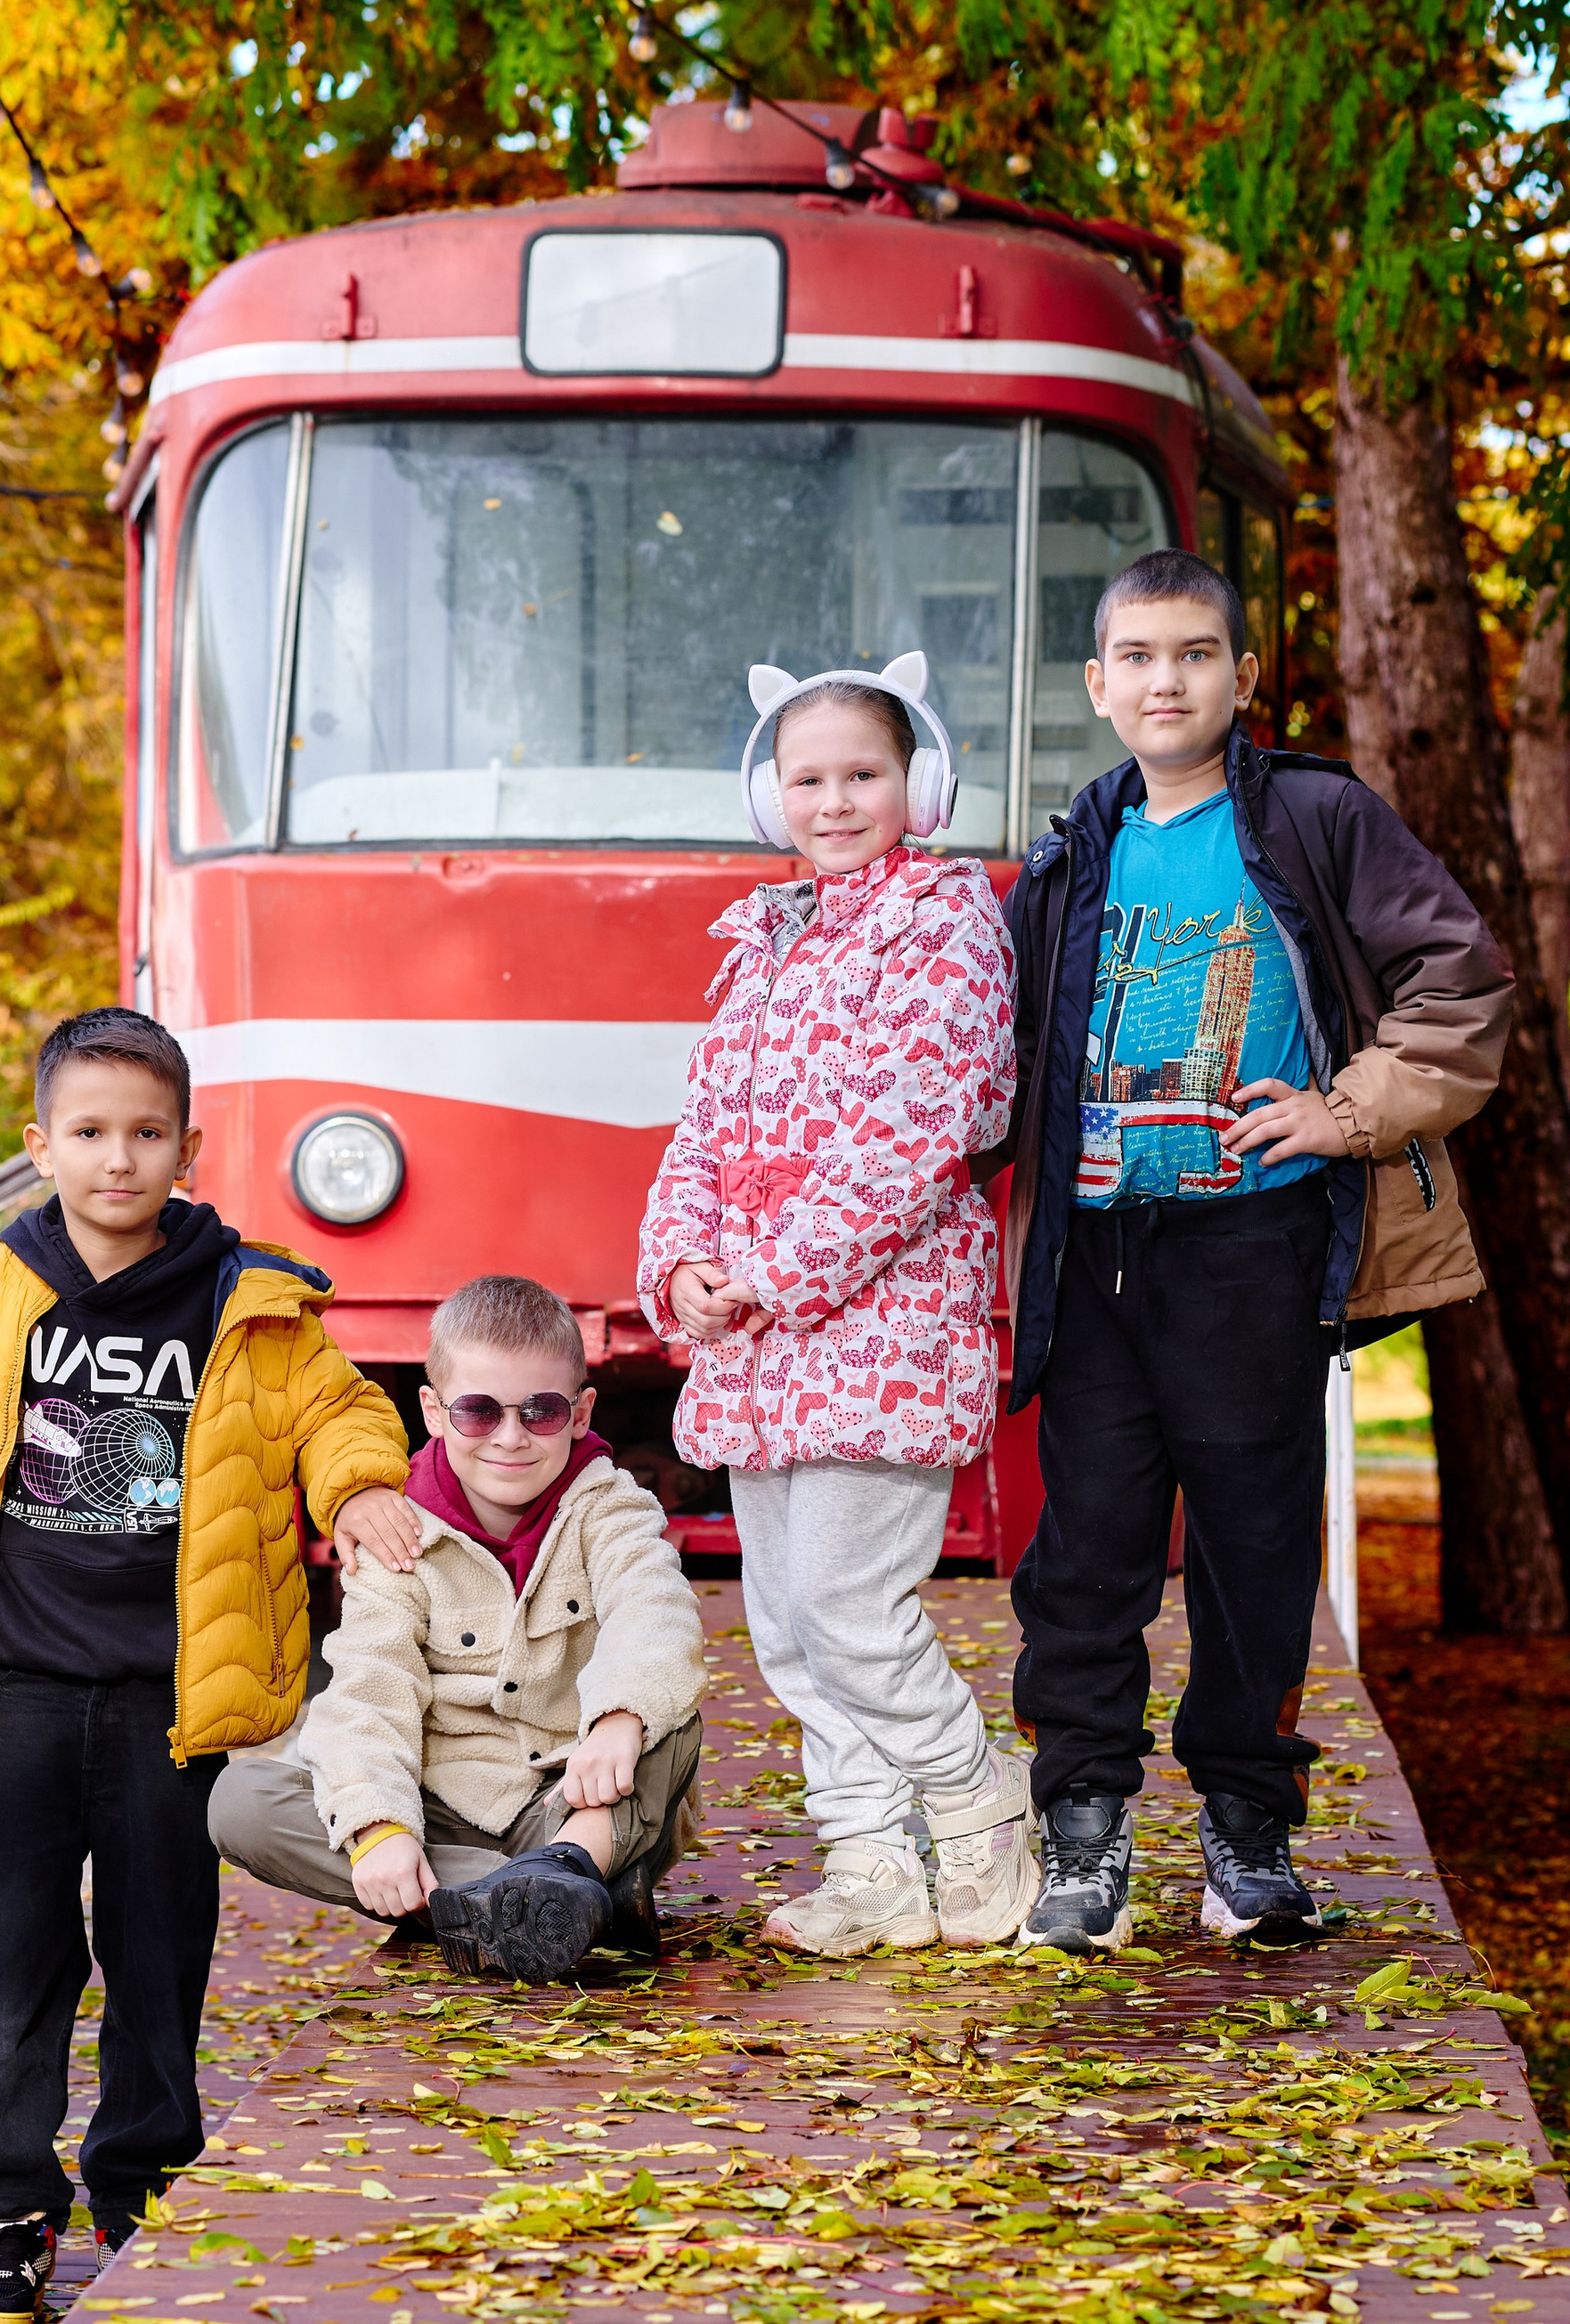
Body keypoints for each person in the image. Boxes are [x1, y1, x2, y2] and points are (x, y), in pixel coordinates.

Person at [1002, 547, 1511, 1951]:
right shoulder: (1068, 856)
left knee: (1253, 1551)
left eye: (1195, 654)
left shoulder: (1317, 819)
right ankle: (1085, 1835)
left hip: (1256, 1252)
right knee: (1088, 1557)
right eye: (1139, 659)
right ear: (1099, 686)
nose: (1167, 680)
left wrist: (1346, 1111)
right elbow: (1001, 1060)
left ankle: (1247, 1837)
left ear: (1241, 676)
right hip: (1099, 1263)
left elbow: (1461, 982)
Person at [0, 1006, 412, 2324]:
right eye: (87, 1133)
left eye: (144, 1134)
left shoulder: (250, 1298)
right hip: (11, 1688)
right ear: (39, 1145)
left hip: (173, 1700)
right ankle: (3, 2215)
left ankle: (142, 2187)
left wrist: (357, 1492)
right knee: (1, 1960)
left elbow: (342, 1412)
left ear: (189, 1144)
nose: (116, 1159)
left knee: (156, 1954)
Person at [639, 654, 1032, 1957]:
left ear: (917, 783)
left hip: (880, 1335)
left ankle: (980, 1811)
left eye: (863, 772)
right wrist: (685, 1264)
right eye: (807, 778)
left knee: (857, 1611)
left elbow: (925, 1125)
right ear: (771, 797)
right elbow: (701, 1132)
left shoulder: (944, 920)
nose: (836, 799)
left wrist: (774, 1269)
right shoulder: (763, 941)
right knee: (793, 1632)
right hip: (759, 1353)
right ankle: (873, 1866)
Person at [209, 1273, 708, 1981]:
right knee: (240, 1802)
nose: (509, 1437)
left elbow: (652, 1608)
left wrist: (620, 1721)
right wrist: (379, 1831)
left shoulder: (610, 1508)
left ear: (580, 1411)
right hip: (445, 1811)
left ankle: (566, 1874)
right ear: (435, 1411)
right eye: (478, 1412)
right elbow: (367, 1692)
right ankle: (575, 1902)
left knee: (667, 1709)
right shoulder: (399, 1532)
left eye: (540, 1412)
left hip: (577, 1804)